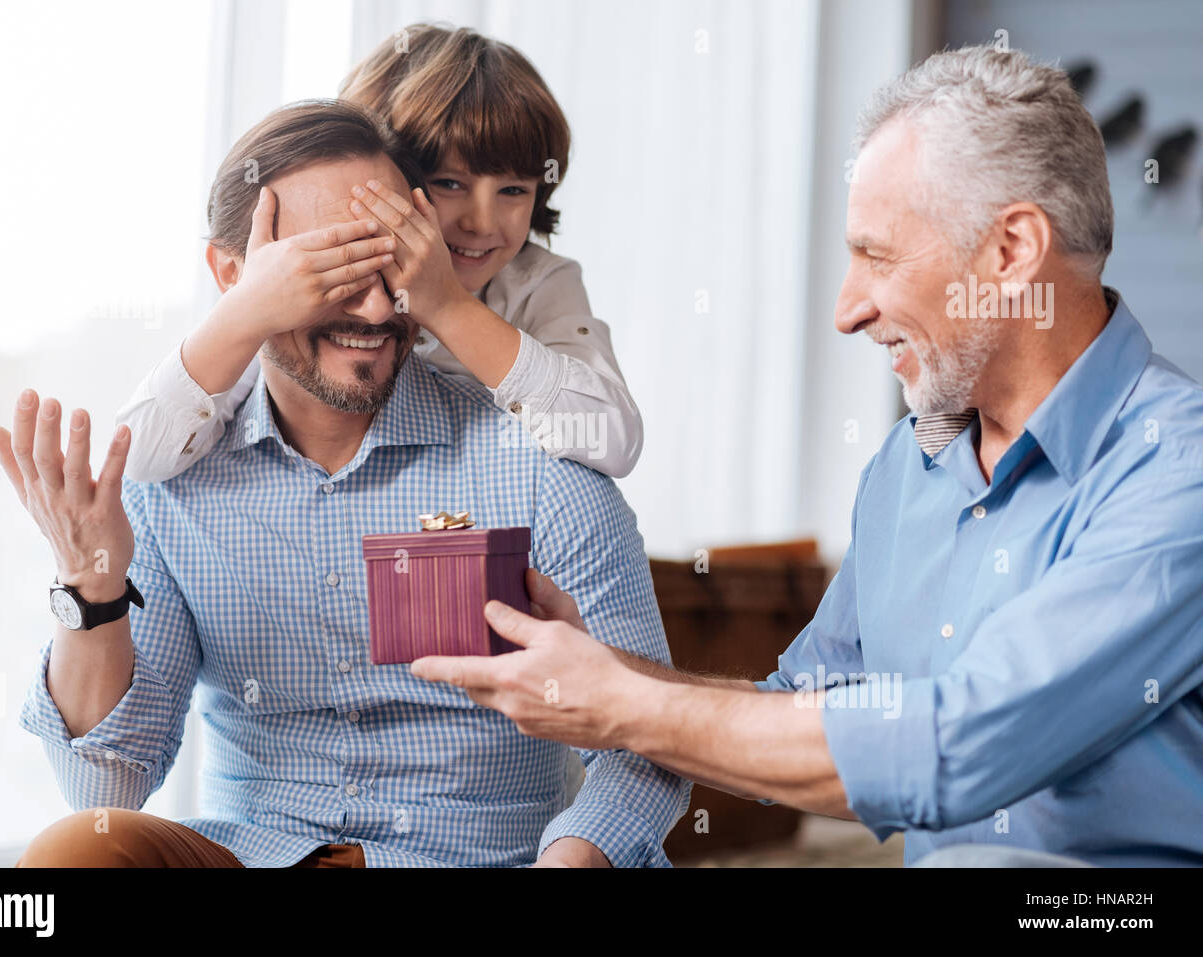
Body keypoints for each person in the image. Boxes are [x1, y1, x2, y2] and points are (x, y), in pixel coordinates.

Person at [413, 45, 1203, 867]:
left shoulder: (1175, 469)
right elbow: (805, 707)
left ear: (1010, 253)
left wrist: (619, 706)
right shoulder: (909, 466)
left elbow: (958, 745)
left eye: (879, 255)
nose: (847, 309)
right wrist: (600, 670)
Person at [0, 99, 688, 868]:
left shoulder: (541, 462)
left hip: (484, 856)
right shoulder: (171, 481)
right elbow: (103, 784)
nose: (373, 303)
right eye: (328, 268)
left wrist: (574, 859)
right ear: (234, 274)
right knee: (72, 854)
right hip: (259, 851)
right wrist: (90, 588)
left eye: (392, 263)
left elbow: (650, 741)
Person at [118, 23, 643, 483]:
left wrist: (448, 306)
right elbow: (140, 457)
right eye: (448, 183)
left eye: (514, 190)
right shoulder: (309, 293)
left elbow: (612, 441)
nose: (482, 223)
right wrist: (247, 311)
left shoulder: (538, 281)